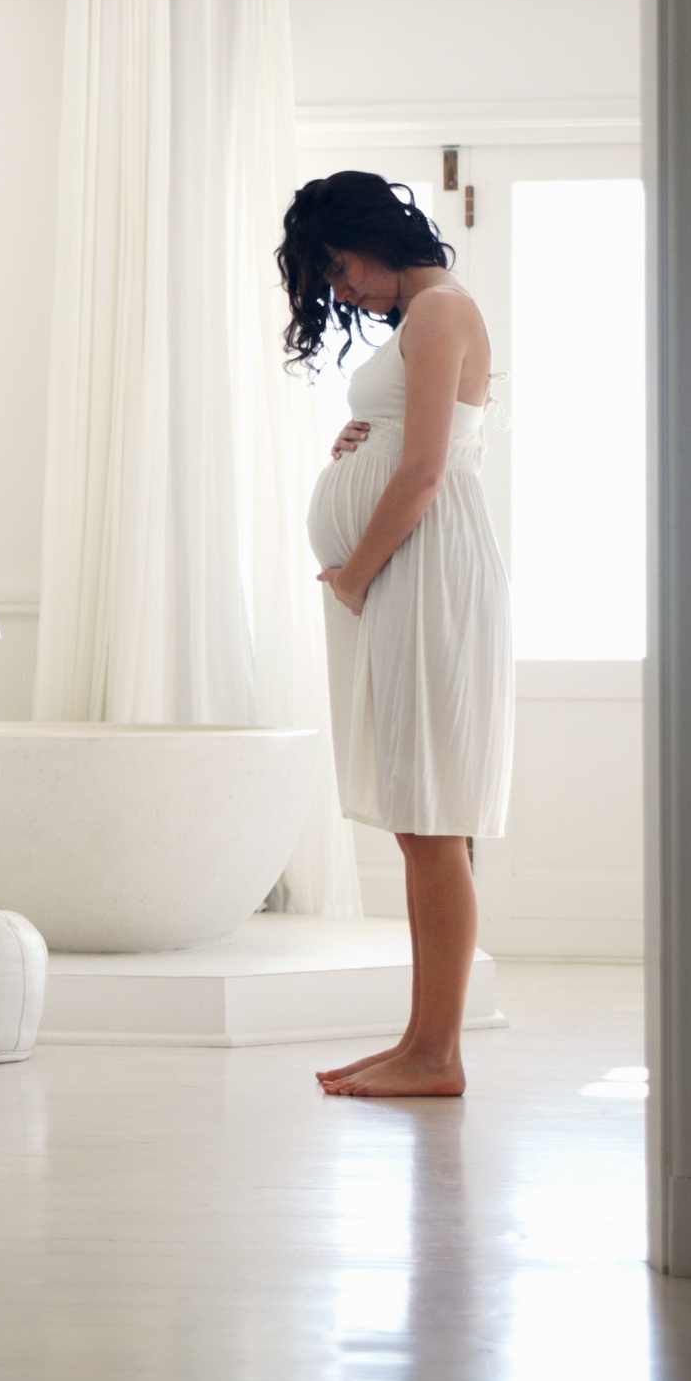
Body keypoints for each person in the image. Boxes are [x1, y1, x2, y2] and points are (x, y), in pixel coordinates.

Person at [280, 172, 513, 1098]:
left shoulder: (441, 312)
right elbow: (419, 449)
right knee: (422, 820)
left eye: (337, 268)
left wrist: (354, 575)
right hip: (412, 569)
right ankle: (422, 1042)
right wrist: (359, 439)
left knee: (433, 822)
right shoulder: (427, 320)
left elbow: (422, 475)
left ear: (370, 234)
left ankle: (436, 1055)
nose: (341, 293)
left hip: (422, 567)